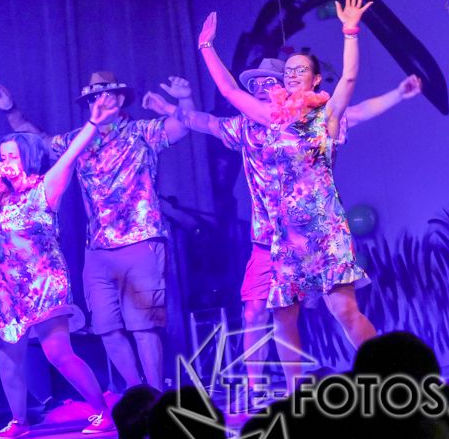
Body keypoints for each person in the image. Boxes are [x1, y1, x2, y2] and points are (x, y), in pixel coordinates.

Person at [146, 65, 422, 397]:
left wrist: (398, 94)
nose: (261, 87)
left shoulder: (309, 120)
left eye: (269, 81)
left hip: (316, 236)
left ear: (286, 88)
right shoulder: (245, 127)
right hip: (269, 241)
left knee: (344, 310)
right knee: (261, 312)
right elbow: (202, 122)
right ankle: (269, 391)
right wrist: (176, 105)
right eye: (254, 84)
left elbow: (358, 112)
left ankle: (386, 375)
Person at [196, 0, 377, 390]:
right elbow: (230, 92)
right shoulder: (267, 118)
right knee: (282, 315)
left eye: (300, 70)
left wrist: (350, 31)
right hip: (284, 238)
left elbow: (348, 78)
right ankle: (297, 396)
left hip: (323, 231)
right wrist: (206, 47)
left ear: (314, 80)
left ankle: (390, 372)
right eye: (289, 70)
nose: (293, 75)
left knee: (344, 310)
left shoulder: (326, 116)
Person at [0, 99, 114, 439]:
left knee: (58, 353)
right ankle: (19, 421)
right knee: (8, 357)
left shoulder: (46, 188)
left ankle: (103, 411)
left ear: (27, 157)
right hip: (9, 288)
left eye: (12, 156)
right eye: (2, 157)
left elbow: (70, 155)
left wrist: (92, 123)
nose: (5, 163)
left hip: (45, 281)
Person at [0, 73, 188, 390]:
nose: (98, 103)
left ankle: (156, 395)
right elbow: (37, 139)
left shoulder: (142, 132)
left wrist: (179, 102)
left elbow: (183, 125)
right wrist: (10, 109)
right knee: (106, 328)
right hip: (97, 249)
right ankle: (137, 393)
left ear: (120, 100)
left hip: (140, 241)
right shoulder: (79, 140)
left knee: (143, 327)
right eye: (92, 98)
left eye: (105, 96)